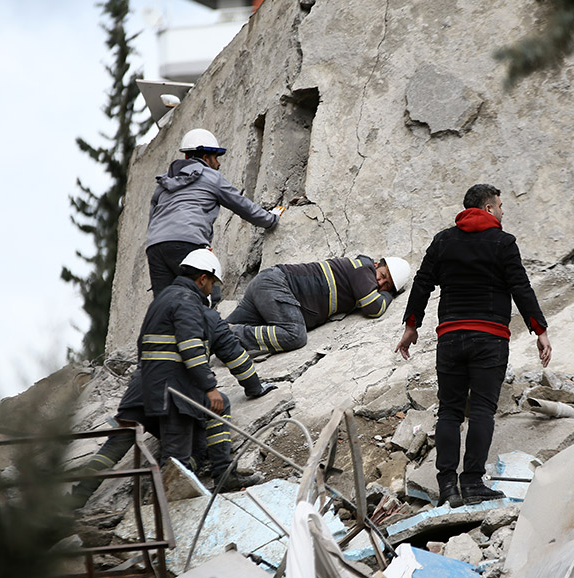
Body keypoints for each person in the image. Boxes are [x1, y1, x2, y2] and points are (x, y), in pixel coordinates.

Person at [72, 249, 277, 506]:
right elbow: (198, 348)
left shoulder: (162, 300)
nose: (211, 290)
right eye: (212, 283)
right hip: (173, 393)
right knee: (182, 454)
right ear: (202, 278)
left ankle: (76, 499)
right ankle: (201, 487)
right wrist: (234, 388)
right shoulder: (193, 306)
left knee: (114, 446)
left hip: (141, 388)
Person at [394, 184, 552, 507]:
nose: (503, 212)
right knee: (481, 410)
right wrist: (540, 330)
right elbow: (520, 287)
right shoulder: (503, 243)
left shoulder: (443, 242)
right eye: (501, 205)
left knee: (450, 411)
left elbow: (422, 282)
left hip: (450, 337)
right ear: (489, 208)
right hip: (490, 339)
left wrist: (412, 326)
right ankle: (472, 482)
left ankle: (448, 485)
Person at [146, 128, 281, 296]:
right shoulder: (211, 177)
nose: (218, 164)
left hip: (155, 246)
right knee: (206, 293)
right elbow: (242, 205)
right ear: (205, 158)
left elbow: (153, 217)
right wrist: (271, 219)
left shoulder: (165, 182)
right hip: (188, 241)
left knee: (164, 304)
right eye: (215, 158)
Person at [226, 255, 412, 354]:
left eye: (386, 285)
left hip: (270, 286)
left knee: (215, 332)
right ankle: (234, 333)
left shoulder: (363, 275)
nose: (380, 283)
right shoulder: (363, 269)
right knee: (295, 335)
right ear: (378, 263)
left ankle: (222, 333)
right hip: (277, 285)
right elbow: (374, 308)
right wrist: (389, 293)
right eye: (383, 276)